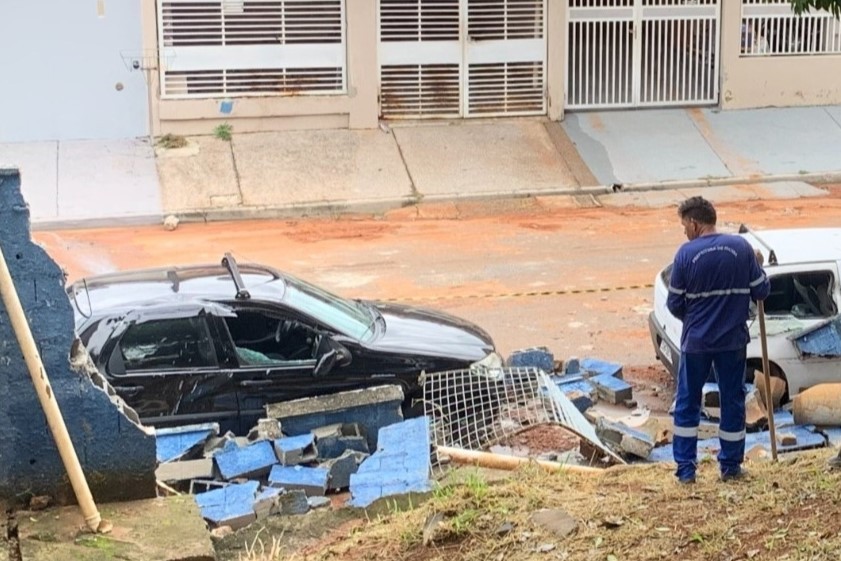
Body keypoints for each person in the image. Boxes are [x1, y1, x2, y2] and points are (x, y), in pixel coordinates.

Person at [667, 197, 770, 483]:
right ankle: (731, 466)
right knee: (733, 401)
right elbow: (761, 291)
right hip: (732, 342)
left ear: (695, 223)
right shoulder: (741, 248)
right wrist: (758, 268)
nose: (684, 231)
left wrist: (696, 316)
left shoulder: (686, 255)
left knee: (688, 403)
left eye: (684, 225)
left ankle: (686, 470)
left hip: (697, 342)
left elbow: (674, 304)